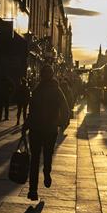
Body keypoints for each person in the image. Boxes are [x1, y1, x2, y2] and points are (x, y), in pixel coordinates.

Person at [22, 64, 69, 201]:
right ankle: (47, 172)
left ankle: (33, 190)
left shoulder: (37, 89)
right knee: (47, 155)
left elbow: (32, 111)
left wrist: (26, 125)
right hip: (50, 129)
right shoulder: (57, 90)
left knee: (35, 159)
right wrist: (62, 124)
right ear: (52, 75)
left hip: (36, 129)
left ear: (42, 75)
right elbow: (65, 108)